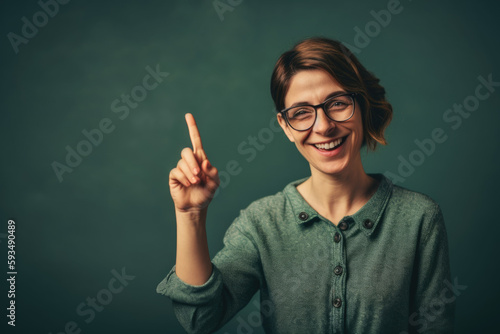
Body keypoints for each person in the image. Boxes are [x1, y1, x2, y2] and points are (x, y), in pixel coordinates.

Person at [157, 37, 454, 333]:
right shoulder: (261, 223)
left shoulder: (419, 218)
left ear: (361, 105)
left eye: (337, 103)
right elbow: (199, 319)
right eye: (301, 113)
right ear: (285, 126)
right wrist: (190, 215)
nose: (323, 126)